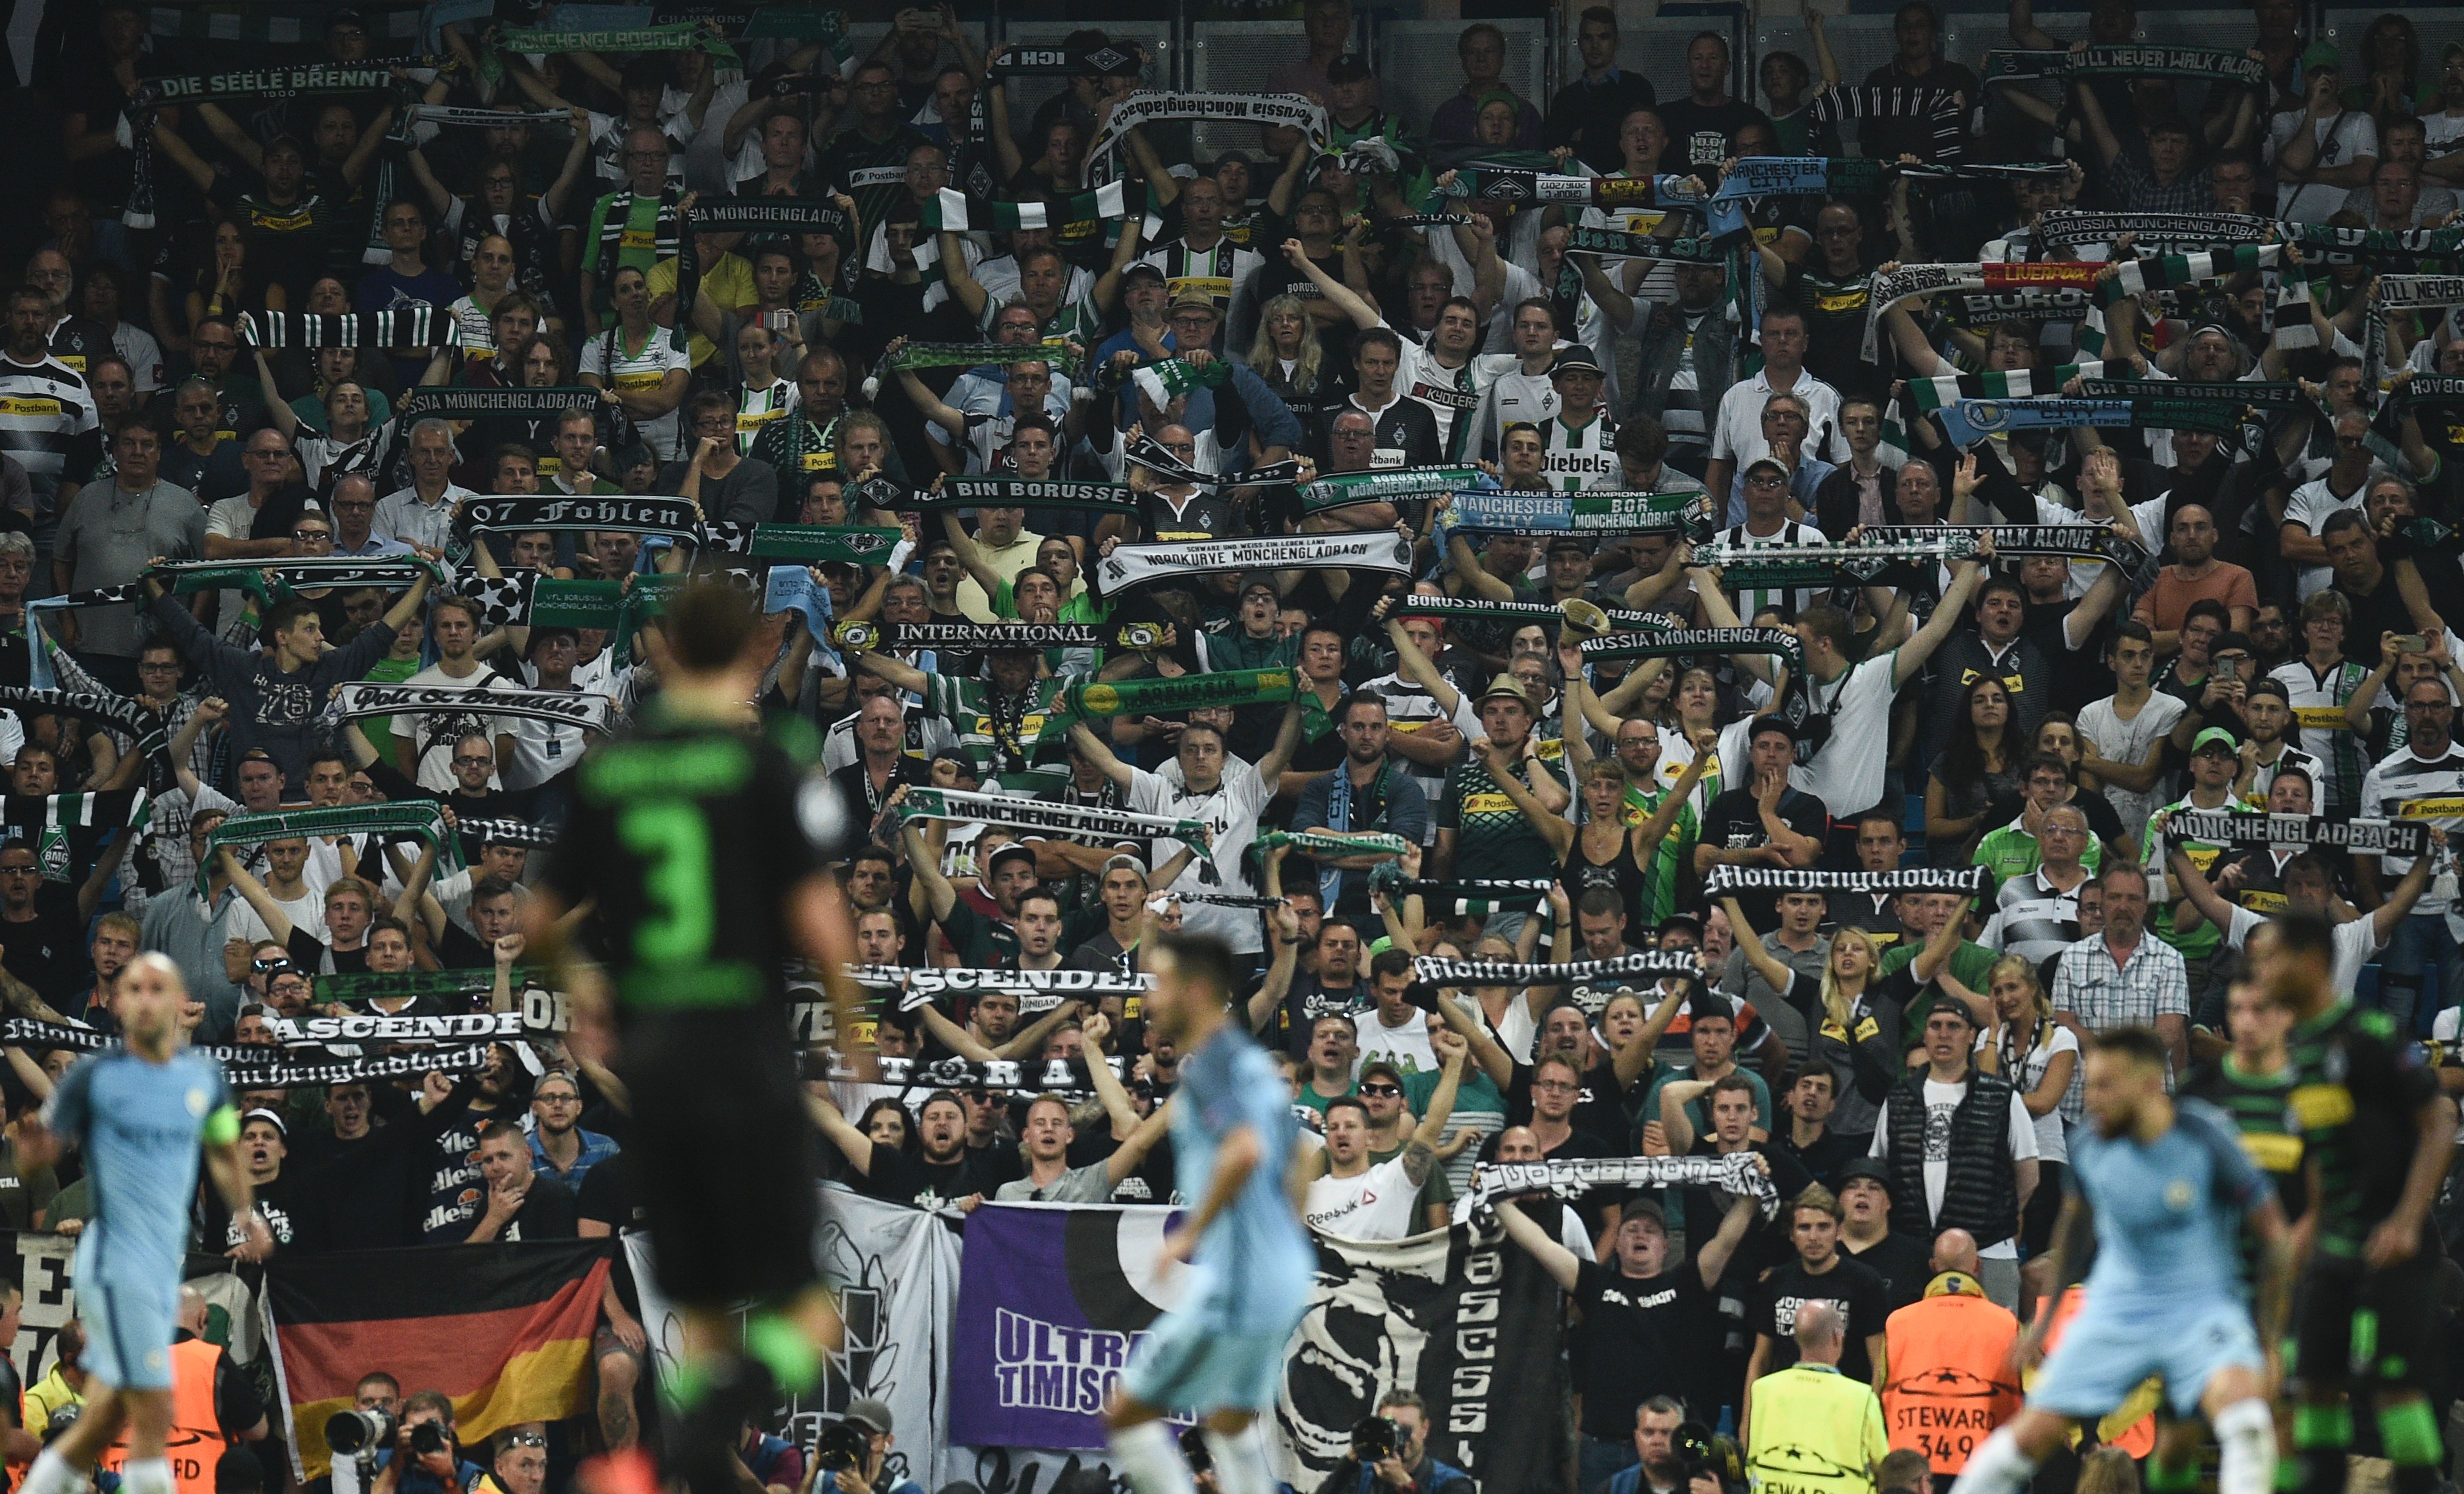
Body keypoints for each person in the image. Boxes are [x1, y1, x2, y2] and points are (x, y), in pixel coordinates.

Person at [524, 584, 870, 1491]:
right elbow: (821, 920)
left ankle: (676, 1470)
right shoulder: (761, 767)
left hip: (660, 1063)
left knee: (708, 1313)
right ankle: (677, 1455)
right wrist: (850, 1022)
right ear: (756, 647)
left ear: (666, 648)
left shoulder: (614, 769)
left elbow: (539, 918)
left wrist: (588, 989)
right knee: (808, 1312)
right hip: (744, 1055)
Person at [1946, 1028, 2290, 1494]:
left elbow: (2275, 1237)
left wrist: (2268, 1343)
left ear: (2150, 1084)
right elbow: (2072, 1233)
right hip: (2116, 1311)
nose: (2090, 1099)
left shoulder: (2206, 1137)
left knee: (2246, 1421)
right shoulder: (2090, 1145)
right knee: (2026, 1439)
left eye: (2106, 1086)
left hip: (2200, 1309)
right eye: (2089, 1085)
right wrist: (2042, 1326)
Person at [13, 954, 270, 1494]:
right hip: (113, 1256)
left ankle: (46, 1487)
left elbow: (224, 1152)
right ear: (118, 1003)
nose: (147, 998)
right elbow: (45, 1146)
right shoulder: (94, 1077)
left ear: (179, 1002)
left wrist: (247, 1212)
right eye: (135, 988)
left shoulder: (203, 1078)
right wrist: (34, 1150)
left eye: (159, 988)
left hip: (159, 1260)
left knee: (114, 1412)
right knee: (154, 1399)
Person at [1105, 934, 1312, 1494]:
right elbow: (1297, 1167)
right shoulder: (1251, 1063)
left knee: (1125, 1412)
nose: (1151, 1000)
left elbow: (1244, 1150)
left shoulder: (1212, 1065)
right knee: (1228, 1421)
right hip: (1280, 1275)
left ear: (1195, 992)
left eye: (1162, 984)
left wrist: (1188, 1235)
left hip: (1240, 1278)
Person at [2260, 914, 2458, 1494]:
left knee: (2393, 1390)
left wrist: (2403, 1221)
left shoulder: (2367, 1033)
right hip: (2334, 1244)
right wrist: (2307, 1230)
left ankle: (2424, 1485)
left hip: (2393, 1250)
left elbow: (2439, 1120)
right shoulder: (2297, 1044)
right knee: (2313, 1384)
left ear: (2309, 961)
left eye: (2272, 958)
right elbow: (2325, 1151)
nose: (2261, 971)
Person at [1495, 1182, 1762, 1485]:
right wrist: (1498, 1201)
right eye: (1631, 1229)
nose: (1640, 1235)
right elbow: (1541, 1246)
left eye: (1651, 1230)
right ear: (1617, 1245)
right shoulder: (1596, 1284)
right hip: (1603, 1447)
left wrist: (1752, 1194)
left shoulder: (1685, 1283)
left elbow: (1726, 1242)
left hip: (1669, 1444)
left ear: (1665, 1245)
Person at [1878, 1232, 2021, 1476]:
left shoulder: (1897, 1323)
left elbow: (1876, 1395)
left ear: (1934, 1267)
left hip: (1911, 1471)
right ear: (1978, 1266)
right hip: (1984, 1473)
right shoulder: (2008, 1324)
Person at [1744, 1301, 1888, 1494]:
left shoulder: (1763, 1390)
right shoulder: (1862, 1398)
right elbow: (1883, 1466)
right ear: (1838, 1338)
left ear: (1797, 1338)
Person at [1310, 1392, 1471, 1494]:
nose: (1399, 1438)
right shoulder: (1363, 1476)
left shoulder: (1454, 1484)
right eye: (1391, 1429)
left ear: (1425, 1429)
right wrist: (1351, 1460)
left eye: (1406, 1430)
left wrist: (1404, 1485)